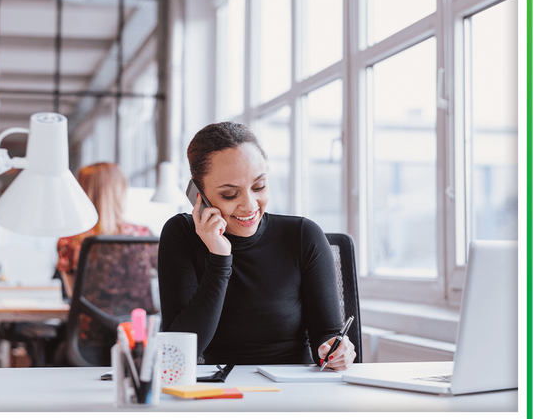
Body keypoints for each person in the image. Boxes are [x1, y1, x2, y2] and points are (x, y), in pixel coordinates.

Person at [158, 122, 356, 371]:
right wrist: (219, 257)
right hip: (221, 390)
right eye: (230, 194)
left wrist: (336, 350)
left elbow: (326, 334)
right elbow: (180, 351)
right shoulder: (181, 235)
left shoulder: (303, 236)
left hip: (294, 388)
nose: (250, 205)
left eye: (259, 186)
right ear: (200, 195)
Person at [56, 162, 151, 298]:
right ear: (121, 191)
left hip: (89, 319)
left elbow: (74, 296)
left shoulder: (69, 240)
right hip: (137, 319)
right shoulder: (143, 236)